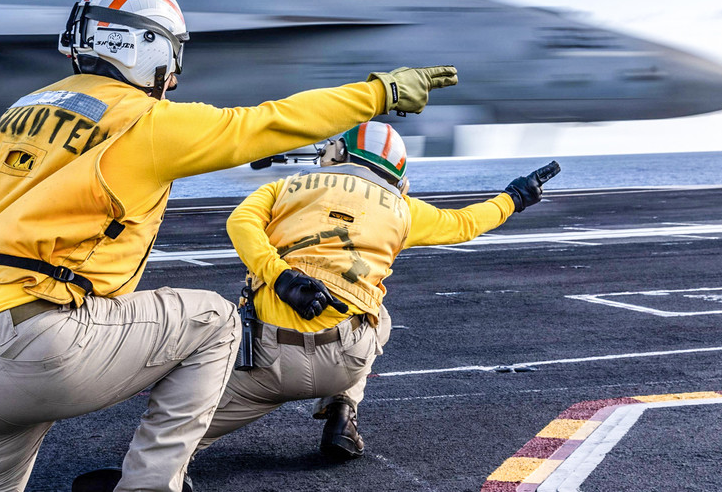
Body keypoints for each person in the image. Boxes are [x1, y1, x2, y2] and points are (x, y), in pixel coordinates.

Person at [0, 0, 457, 492]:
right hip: (47, 344)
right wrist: (378, 93)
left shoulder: (21, 111)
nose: (173, 74)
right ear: (146, 49)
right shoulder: (143, 120)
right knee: (211, 320)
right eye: (170, 55)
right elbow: (263, 123)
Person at [195, 121, 558, 462]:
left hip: (266, 362)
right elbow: (465, 223)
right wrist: (515, 197)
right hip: (343, 360)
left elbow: (240, 223)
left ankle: (168, 467)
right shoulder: (404, 210)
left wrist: (281, 277)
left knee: (180, 433)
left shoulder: (283, 187)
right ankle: (343, 411)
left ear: (339, 154)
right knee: (377, 315)